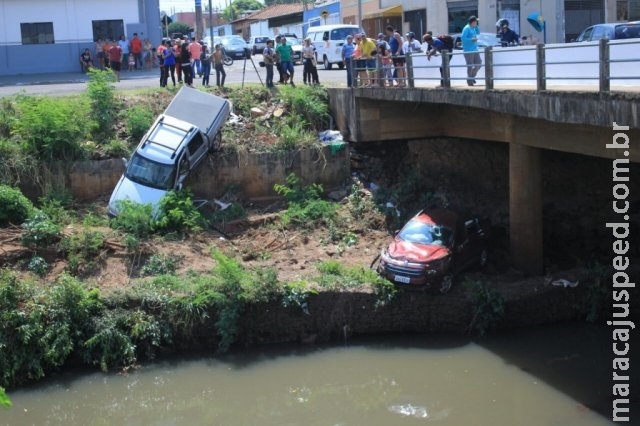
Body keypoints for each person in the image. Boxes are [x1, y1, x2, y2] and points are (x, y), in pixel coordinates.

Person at [461, 15, 482, 86]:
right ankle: (470, 81)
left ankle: (471, 77)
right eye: (476, 22)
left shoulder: (473, 28)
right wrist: (471, 40)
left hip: (475, 49)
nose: (477, 22)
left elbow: (479, 32)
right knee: (470, 66)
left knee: (479, 63)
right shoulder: (466, 28)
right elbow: (463, 38)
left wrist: (476, 26)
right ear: (473, 22)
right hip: (468, 50)